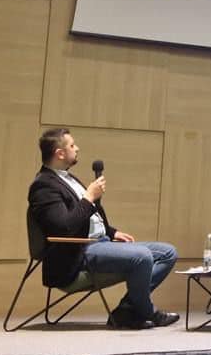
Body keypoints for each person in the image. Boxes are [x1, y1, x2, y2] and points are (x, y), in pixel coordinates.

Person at [27, 128, 179, 329]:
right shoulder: (44, 186)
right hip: (79, 252)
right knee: (142, 256)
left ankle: (126, 310)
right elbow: (63, 228)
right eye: (72, 145)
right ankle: (148, 312)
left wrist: (111, 232)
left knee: (168, 252)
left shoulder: (68, 178)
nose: (77, 148)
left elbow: (89, 218)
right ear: (60, 153)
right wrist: (89, 197)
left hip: (100, 242)